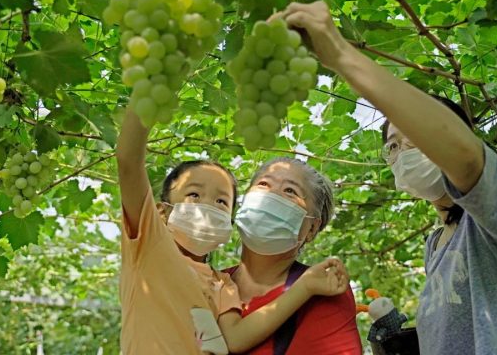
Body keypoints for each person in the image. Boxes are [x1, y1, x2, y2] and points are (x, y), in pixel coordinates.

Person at [274, 1, 497, 354]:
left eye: (416, 139)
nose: (403, 152)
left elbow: (465, 158)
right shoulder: (436, 245)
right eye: (393, 146)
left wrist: (341, 54)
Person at [116, 108, 351, 355]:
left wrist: (304, 286)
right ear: (162, 212)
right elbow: (128, 161)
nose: (207, 206)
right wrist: (150, 87)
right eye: (194, 194)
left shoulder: (223, 283)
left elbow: (235, 339)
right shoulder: (149, 248)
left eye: (221, 202)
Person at [227, 157, 363, 354]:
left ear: (311, 228)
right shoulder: (206, 281)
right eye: (263, 184)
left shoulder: (322, 291)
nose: (271, 194)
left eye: (290, 191)